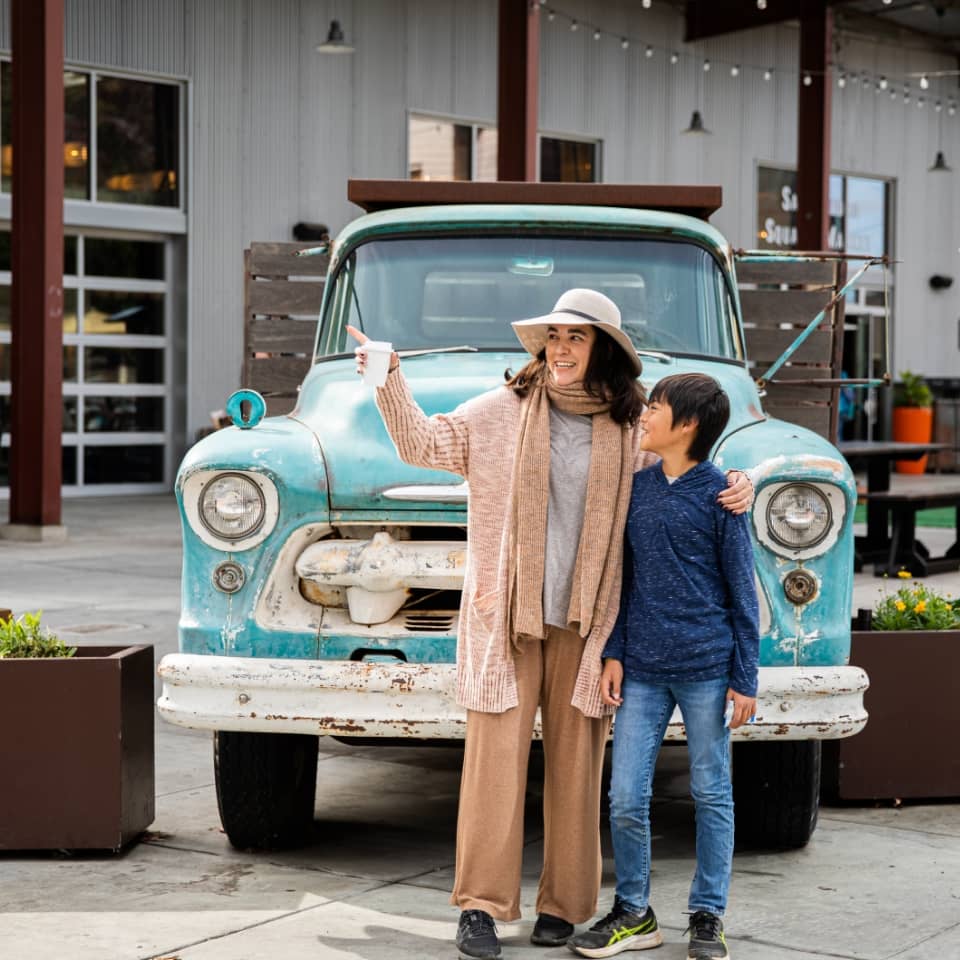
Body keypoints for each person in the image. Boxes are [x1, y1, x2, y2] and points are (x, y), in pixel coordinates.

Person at [349, 290, 753, 960]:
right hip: (507, 617)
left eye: (577, 338)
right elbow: (421, 443)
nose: (560, 349)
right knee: (493, 766)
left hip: (590, 623)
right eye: (553, 336)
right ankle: (480, 907)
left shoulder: (632, 432)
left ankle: (566, 907)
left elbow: (691, 470)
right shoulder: (497, 413)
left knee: (576, 767)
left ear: (605, 353)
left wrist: (742, 481)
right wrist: (388, 377)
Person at [567, 372, 760, 960]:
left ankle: (708, 915)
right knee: (625, 795)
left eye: (657, 406)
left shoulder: (723, 496)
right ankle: (633, 912)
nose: (645, 414)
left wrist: (745, 678)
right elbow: (625, 584)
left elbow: (742, 592)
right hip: (643, 670)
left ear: (689, 424)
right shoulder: (639, 489)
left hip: (707, 666)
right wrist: (616, 651)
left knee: (711, 792)